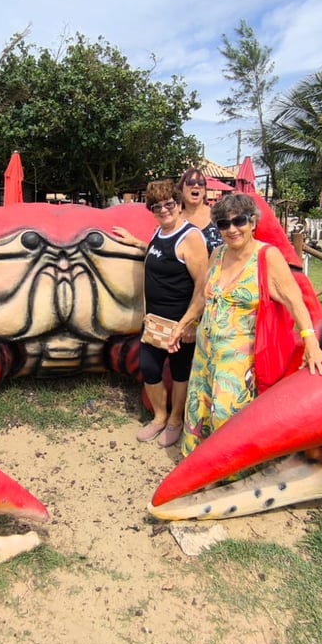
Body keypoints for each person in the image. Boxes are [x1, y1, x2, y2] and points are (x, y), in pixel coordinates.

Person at [169, 192, 322, 456]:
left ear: (253, 222)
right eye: (224, 224)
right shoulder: (218, 254)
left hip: (239, 358)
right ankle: (198, 465)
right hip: (205, 352)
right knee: (198, 408)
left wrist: (311, 343)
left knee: (226, 414)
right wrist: (182, 324)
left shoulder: (267, 256)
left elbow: (295, 301)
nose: (232, 229)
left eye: (239, 221)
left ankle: (230, 470)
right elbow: (203, 296)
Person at [113, 179, 208, 447]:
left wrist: (190, 324)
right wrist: (135, 242)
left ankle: (175, 420)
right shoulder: (159, 232)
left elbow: (202, 286)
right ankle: (159, 417)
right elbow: (159, 255)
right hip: (154, 322)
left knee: (180, 373)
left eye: (169, 204)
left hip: (180, 323)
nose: (164, 210)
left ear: (179, 204)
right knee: (149, 368)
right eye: (157, 207)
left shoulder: (190, 237)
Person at [177, 168, 223, 254]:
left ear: (204, 191)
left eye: (201, 183)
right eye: (190, 182)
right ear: (181, 188)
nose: (196, 186)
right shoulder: (174, 219)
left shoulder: (218, 216)